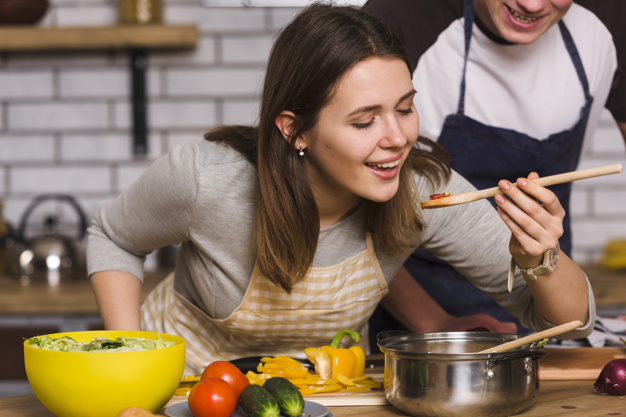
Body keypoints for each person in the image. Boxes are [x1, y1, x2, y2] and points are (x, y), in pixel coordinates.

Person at [87, 3, 594, 375]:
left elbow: (572, 323)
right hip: (181, 387)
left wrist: (540, 255)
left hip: (315, 396)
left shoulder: (423, 193)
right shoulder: (207, 179)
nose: (397, 139)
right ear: (295, 130)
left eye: (404, 108)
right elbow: (113, 236)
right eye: (363, 121)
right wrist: (130, 370)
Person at [363, 0, 626, 340]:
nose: (531, 5)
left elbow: (573, 314)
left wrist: (551, 274)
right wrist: (432, 321)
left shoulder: (611, 17)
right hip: (418, 301)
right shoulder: (399, 16)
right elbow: (351, 227)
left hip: (549, 286)